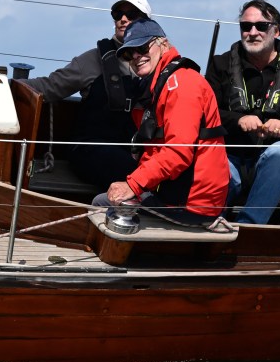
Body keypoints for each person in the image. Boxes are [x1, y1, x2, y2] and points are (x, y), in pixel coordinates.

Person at [95, 18, 229, 225]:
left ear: (164, 44)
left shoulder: (182, 84)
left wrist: (133, 185)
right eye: (129, 54)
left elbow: (178, 152)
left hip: (191, 205)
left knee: (100, 205)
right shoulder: (159, 85)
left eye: (142, 48)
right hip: (174, 195)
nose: (136, 56)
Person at [205, 0, 280, 224]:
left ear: (276, 31)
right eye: (246, 26)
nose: (252, 32)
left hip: (272, 160)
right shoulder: (220, 65)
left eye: (261, 26)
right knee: (216, 163)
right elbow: (205, 114)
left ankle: (249, 225)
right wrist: (239, 119)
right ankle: (210, 220)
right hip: (230, 155)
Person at [23, 0, 152, 188]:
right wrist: (4, 85)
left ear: (148, 24)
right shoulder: (93, 60)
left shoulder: (153, 64)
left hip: (134, 151)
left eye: (132, 14)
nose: (123, 19)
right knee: (135, 172)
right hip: (91, 148)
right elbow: (50, 86)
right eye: (118, 14)